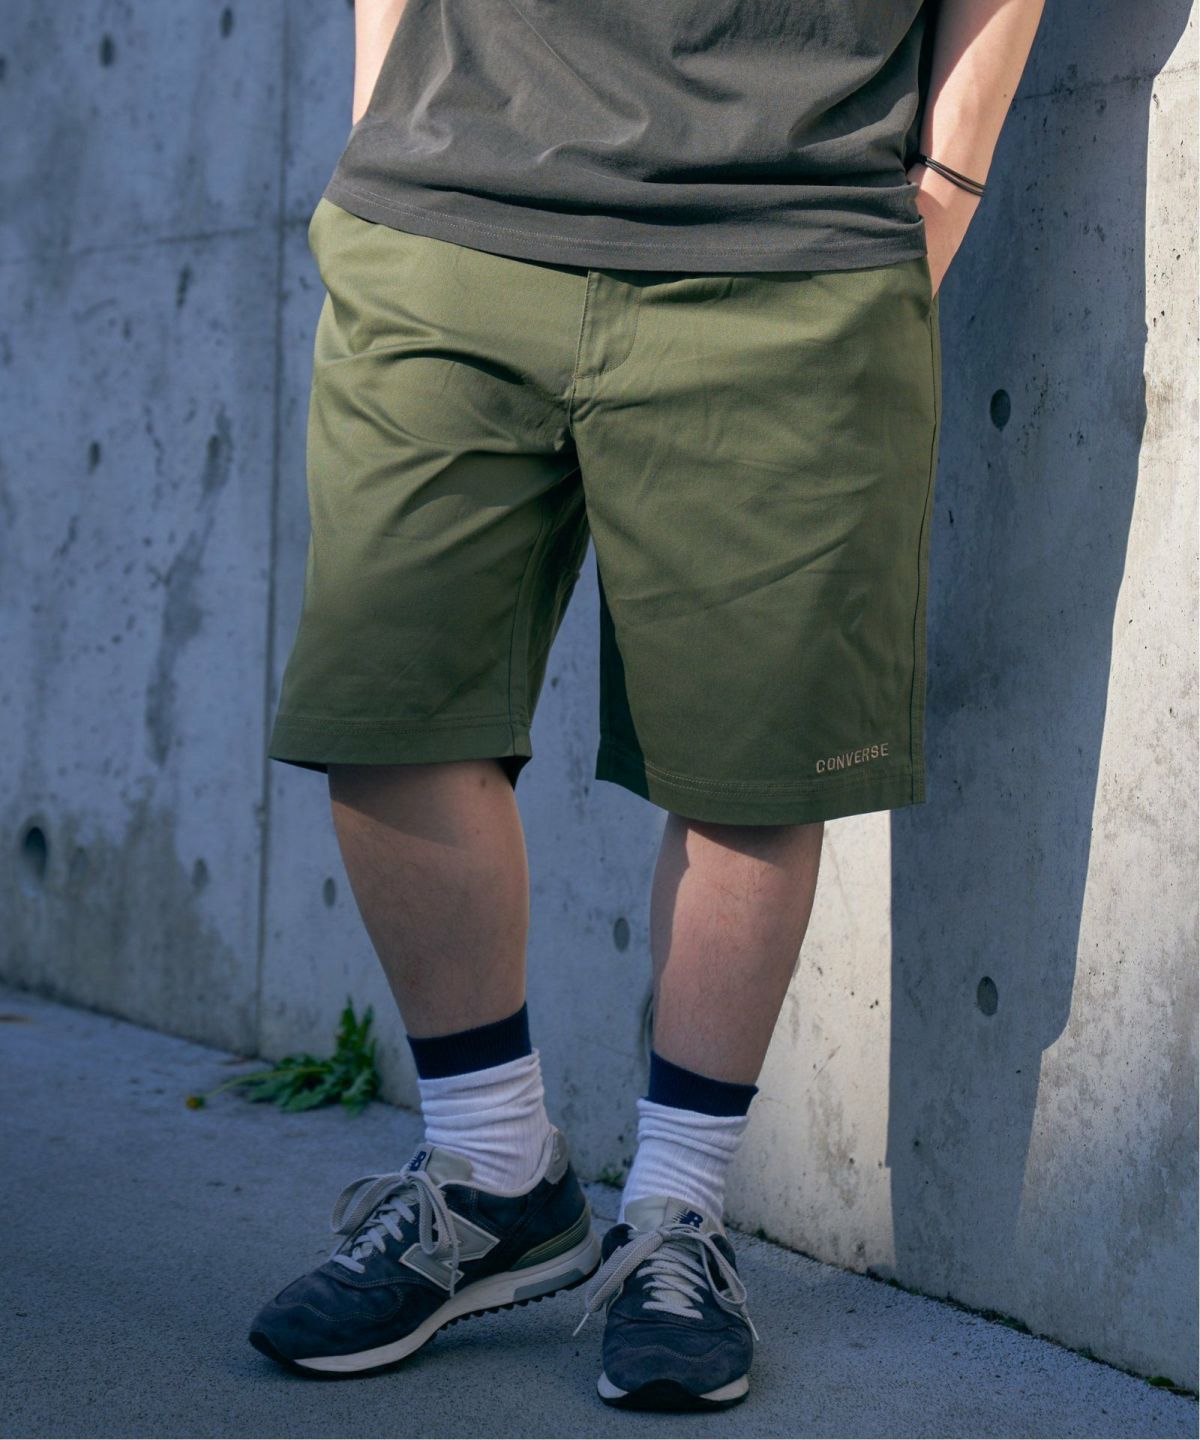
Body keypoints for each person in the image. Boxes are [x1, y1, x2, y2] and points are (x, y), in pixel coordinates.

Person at [248, 0, 1044, 1411]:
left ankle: (677, 1214)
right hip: (447, 209)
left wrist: (944, 183)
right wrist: (384, 120)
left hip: (789, 238)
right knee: (383, 714)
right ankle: (492, 1168)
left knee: (751, 769)